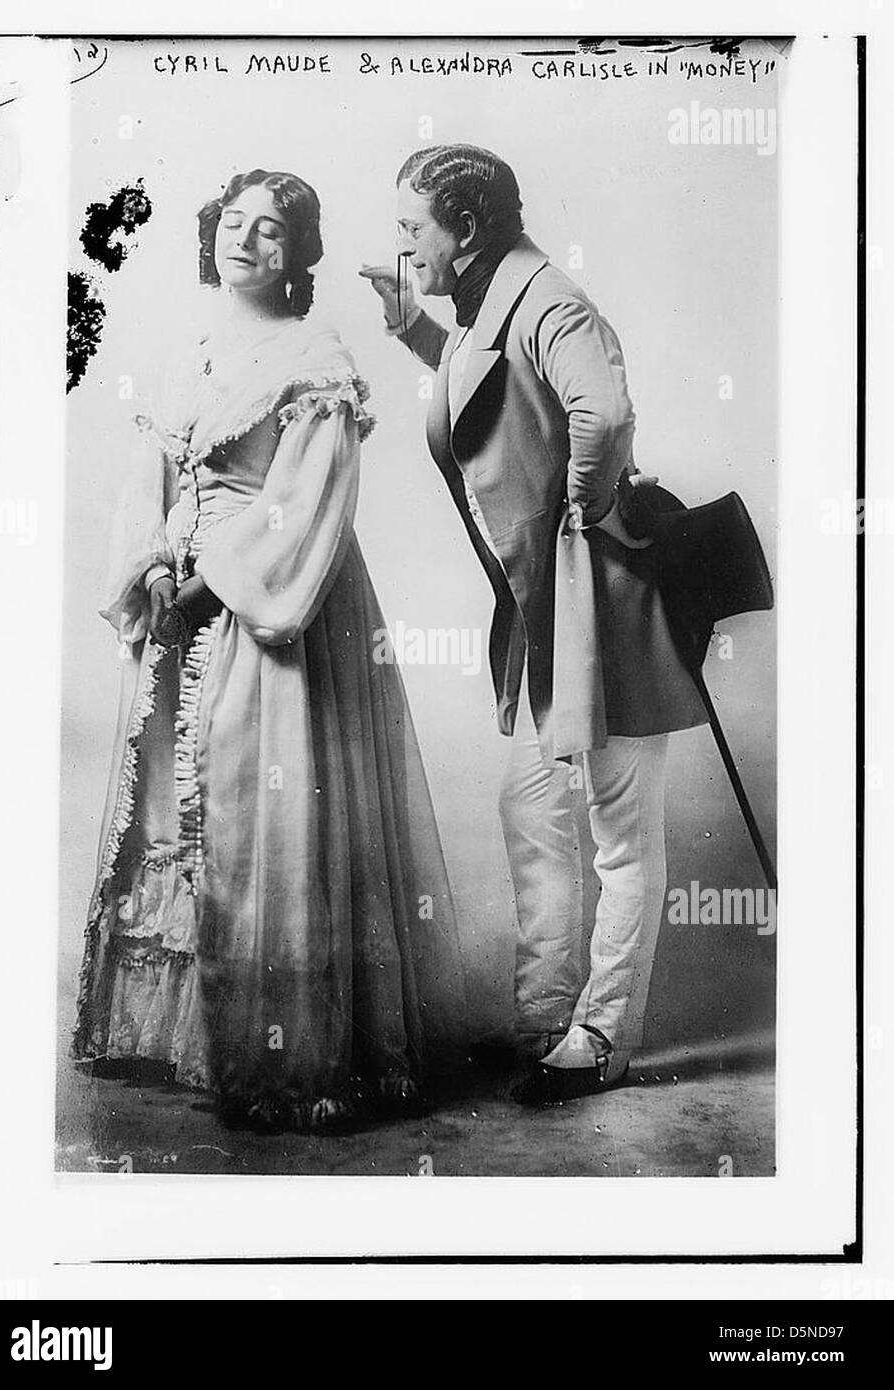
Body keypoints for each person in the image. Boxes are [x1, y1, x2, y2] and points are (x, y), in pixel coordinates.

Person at [73, 168, 466, 1133]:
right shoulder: (191, 349)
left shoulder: (315, 355)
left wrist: (215, 580)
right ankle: (182, 1037)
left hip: (275, 595)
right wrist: (160, 566)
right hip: (186, 599)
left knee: (268, 806)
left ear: (301, 254)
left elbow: (307, 498)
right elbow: (160, 476)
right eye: (235, 226)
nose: (249, 243)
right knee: (172, 801)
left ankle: (289, 1054)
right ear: (210, 236)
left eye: (274, 231)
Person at [361, 144, 707, 1104]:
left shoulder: (549, 299)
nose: (400, 246)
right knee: (532, 809)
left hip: (608, 606)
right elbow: (489, 388)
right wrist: (412, 335)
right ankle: (544, 1017)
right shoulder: (491, 307)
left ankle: (599, 1038)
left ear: (464, 229)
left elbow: (601, 409)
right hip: (543, 610)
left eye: (409, 229)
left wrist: (583, 511)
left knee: (619, 830)